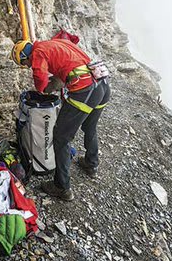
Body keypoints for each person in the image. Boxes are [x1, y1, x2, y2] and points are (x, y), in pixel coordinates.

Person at [11, 37, 111, 201]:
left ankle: (62, 187)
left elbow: (40, 77)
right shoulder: (52, 44)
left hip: (85, 90)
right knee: (89, 126)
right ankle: (91, 164)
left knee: (61, 138)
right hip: (102, 83)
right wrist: (58, 82)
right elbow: (68, 63)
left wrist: (42, 90)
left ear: (24, 56)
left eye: (25, 63)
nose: (27, 66)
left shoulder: (38, 53)